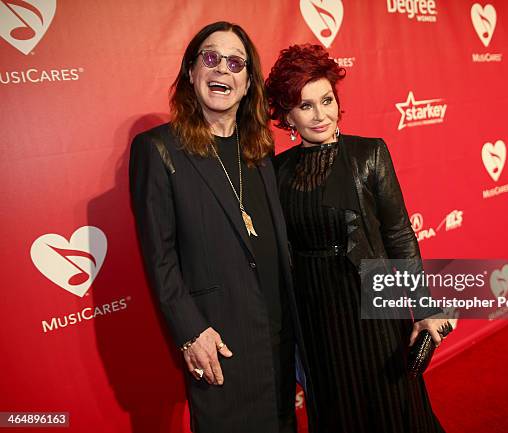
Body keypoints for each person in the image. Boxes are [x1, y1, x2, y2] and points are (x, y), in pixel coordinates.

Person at [129, 22, 308, 433]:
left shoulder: (259, 151)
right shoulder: (158, 149)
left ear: (247, 84)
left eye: (234, 62)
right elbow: (160, 258)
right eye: (210, 58)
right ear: (191, 72)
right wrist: (191, 333)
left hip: (280, 334)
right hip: (220, 341)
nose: (221, 69)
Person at [266, 44, 451, 433]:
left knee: (392, 405)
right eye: (305, 106)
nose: (321, 115)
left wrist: (424, 307)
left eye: (327, 100)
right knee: (338, 408)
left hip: (373, 305)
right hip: (315, 313)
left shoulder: (369, 154)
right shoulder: (277, 171)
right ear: (287, 115)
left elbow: (399, 235)